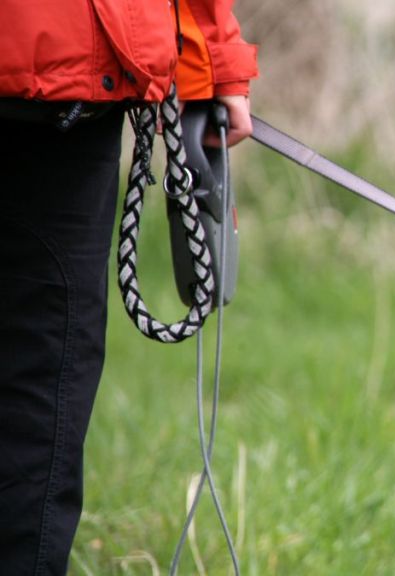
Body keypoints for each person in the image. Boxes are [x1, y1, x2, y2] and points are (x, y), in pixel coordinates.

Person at [0, 1, 258, 573]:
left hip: (66, 81)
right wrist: (208, 60)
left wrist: (208, 58)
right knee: (34, 399)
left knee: (37, 399)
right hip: (66, 77)